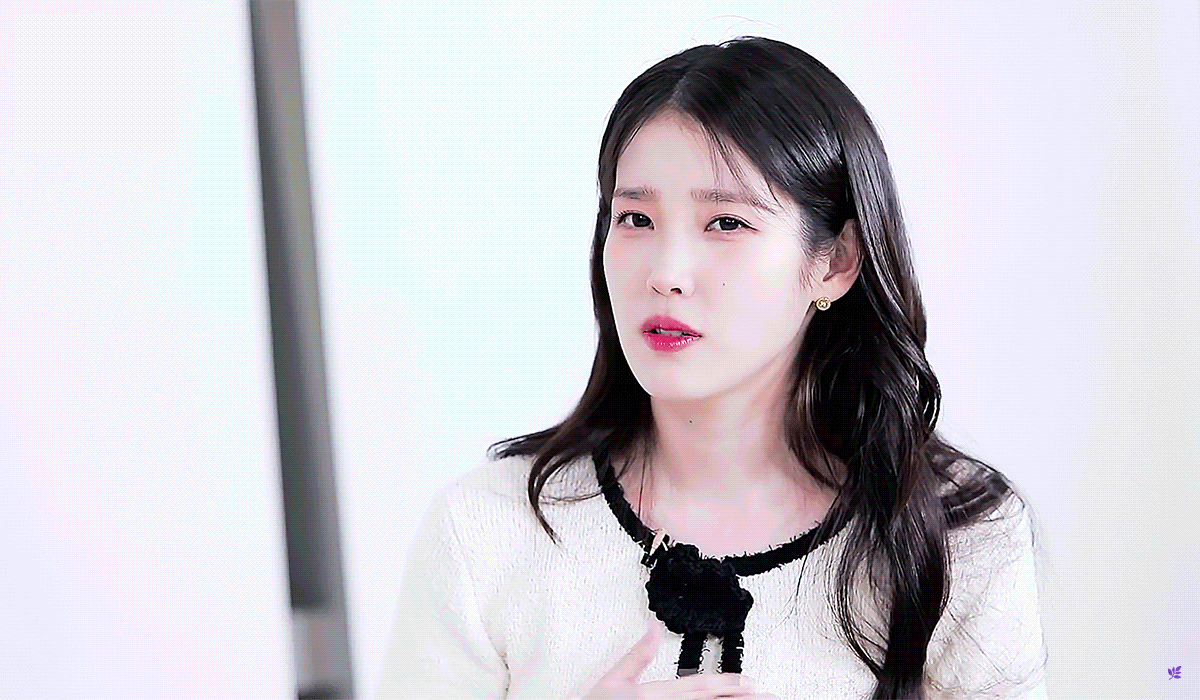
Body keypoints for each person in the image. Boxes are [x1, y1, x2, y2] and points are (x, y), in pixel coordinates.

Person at [376, 36, 1049, 700]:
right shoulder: (490, 526)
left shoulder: (957, 536)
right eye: (634, 218)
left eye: (726, 223)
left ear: (836, 261)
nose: (666, 273)